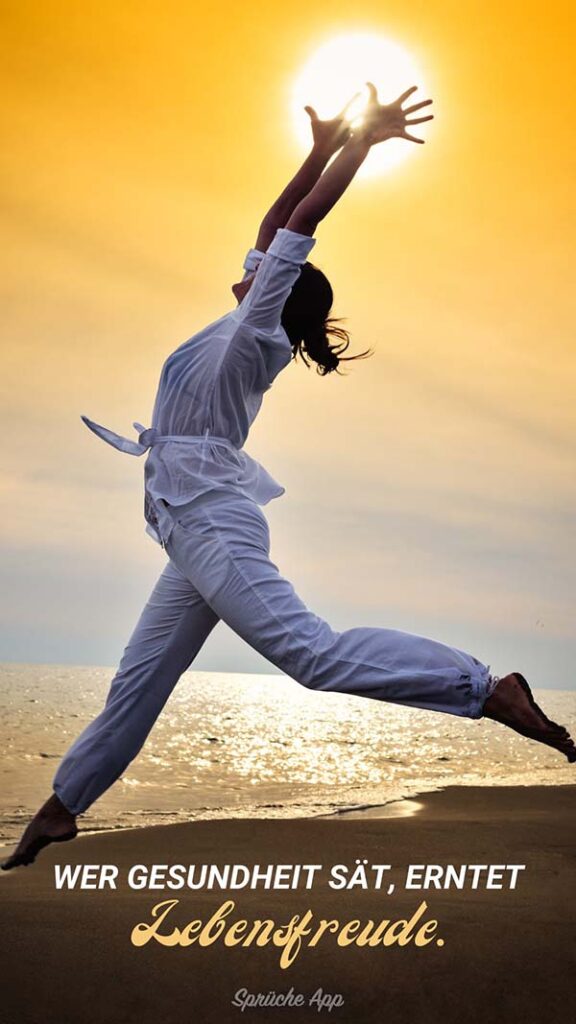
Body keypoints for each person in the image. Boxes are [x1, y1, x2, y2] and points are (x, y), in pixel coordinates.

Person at [4, 83, 574, 871]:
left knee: (312, 657)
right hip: (187, 523)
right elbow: (276, 224)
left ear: (277, 291)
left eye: (267, 268)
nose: (254, 262)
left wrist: (361, 148)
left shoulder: (254, 334)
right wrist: (317, 145)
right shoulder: (240, 323)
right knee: (139, 682)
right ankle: (61, 809)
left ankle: (483, 686)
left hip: (211, 521)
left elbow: (298, 227)